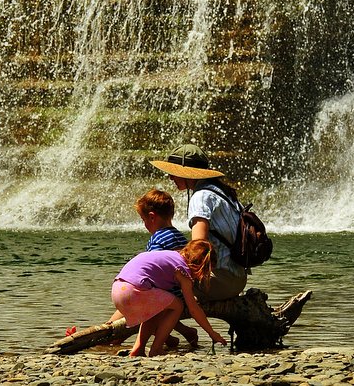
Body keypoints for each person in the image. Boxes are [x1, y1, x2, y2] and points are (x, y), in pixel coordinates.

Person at [149, 144, 247, 302]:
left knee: (149, 279)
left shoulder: (201, 197)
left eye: (174, 173)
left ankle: (116, 325)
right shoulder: (224, 193)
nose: (170, 177)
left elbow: (198, 247)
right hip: (237, 280)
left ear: (187, 174)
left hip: (217, 281)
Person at [103, 189, 197, 347]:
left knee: (138, 307)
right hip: (178, 291)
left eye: (143, 219)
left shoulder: (158, 240)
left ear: (152, 217)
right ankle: (178, 335)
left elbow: (154, 274)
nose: (144, 224)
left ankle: (109, 334)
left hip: (166, 293)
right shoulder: (179, 236)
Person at [112, 240, 228, 356]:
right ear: (201, 266)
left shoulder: (170, 256)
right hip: (134, 291)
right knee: (177, 306)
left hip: (117, 290)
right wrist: (211, 333)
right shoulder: (182, 270)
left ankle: (138, 349)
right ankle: (156, 348)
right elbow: (193, 309)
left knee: (156, 310)